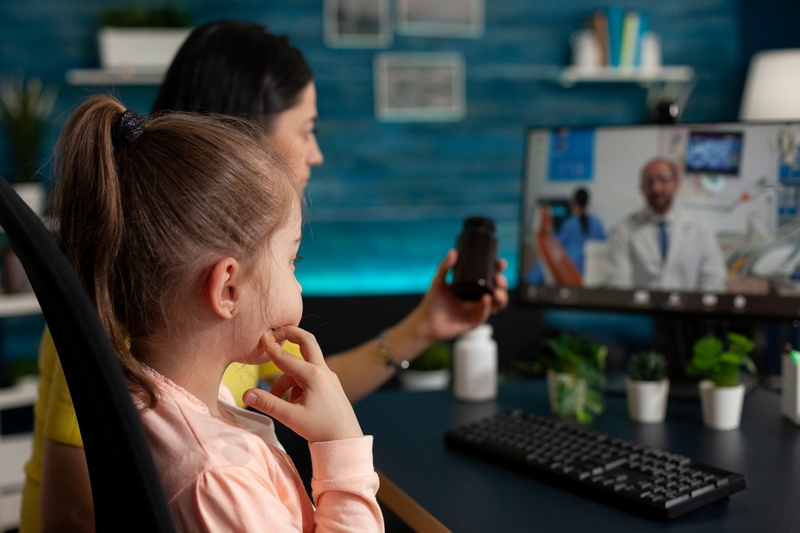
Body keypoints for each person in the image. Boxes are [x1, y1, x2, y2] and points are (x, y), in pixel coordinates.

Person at [21, 20, 508, 532]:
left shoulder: (183, 370)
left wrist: (425, 326)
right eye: (306, 128)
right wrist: (341, 450)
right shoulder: (115, 326)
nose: (315, 152)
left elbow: (287, 392)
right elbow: (73, 514)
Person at [49, 95, 384, 531]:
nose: (297, 283)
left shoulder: (153, 404)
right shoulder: (217, 479)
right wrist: (341, 444)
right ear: (228, 288)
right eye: (292, 261)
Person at [606, 157, 727, 292]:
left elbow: (713, 280)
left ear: (676, 182)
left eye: (663, 179)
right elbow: (618, 282)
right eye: (649, 182)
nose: (656, 188)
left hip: (689, 310)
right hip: (640, 309)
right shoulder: (625, 229)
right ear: (641, 188)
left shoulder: (701, 228)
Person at [524, 187, 606, 284]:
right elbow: (605, 244)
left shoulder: (570, 224)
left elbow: (556, 244)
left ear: (574, 203)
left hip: (570, 267)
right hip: (591, 271)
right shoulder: (597, 222)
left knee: (541, 267)